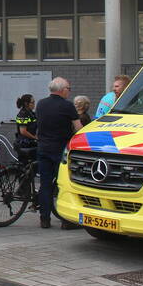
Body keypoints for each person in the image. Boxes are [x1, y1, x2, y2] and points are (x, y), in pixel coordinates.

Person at [34, 78, 83, 230]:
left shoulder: (40, 104)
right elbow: (79, 128)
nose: (69, 91)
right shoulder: (67, 106)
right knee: (62, 184)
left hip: (43, 148)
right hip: (60, 150)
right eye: (68, 88)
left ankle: (44, 219)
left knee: (45, 184)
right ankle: (65, 220)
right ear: (62, 90)